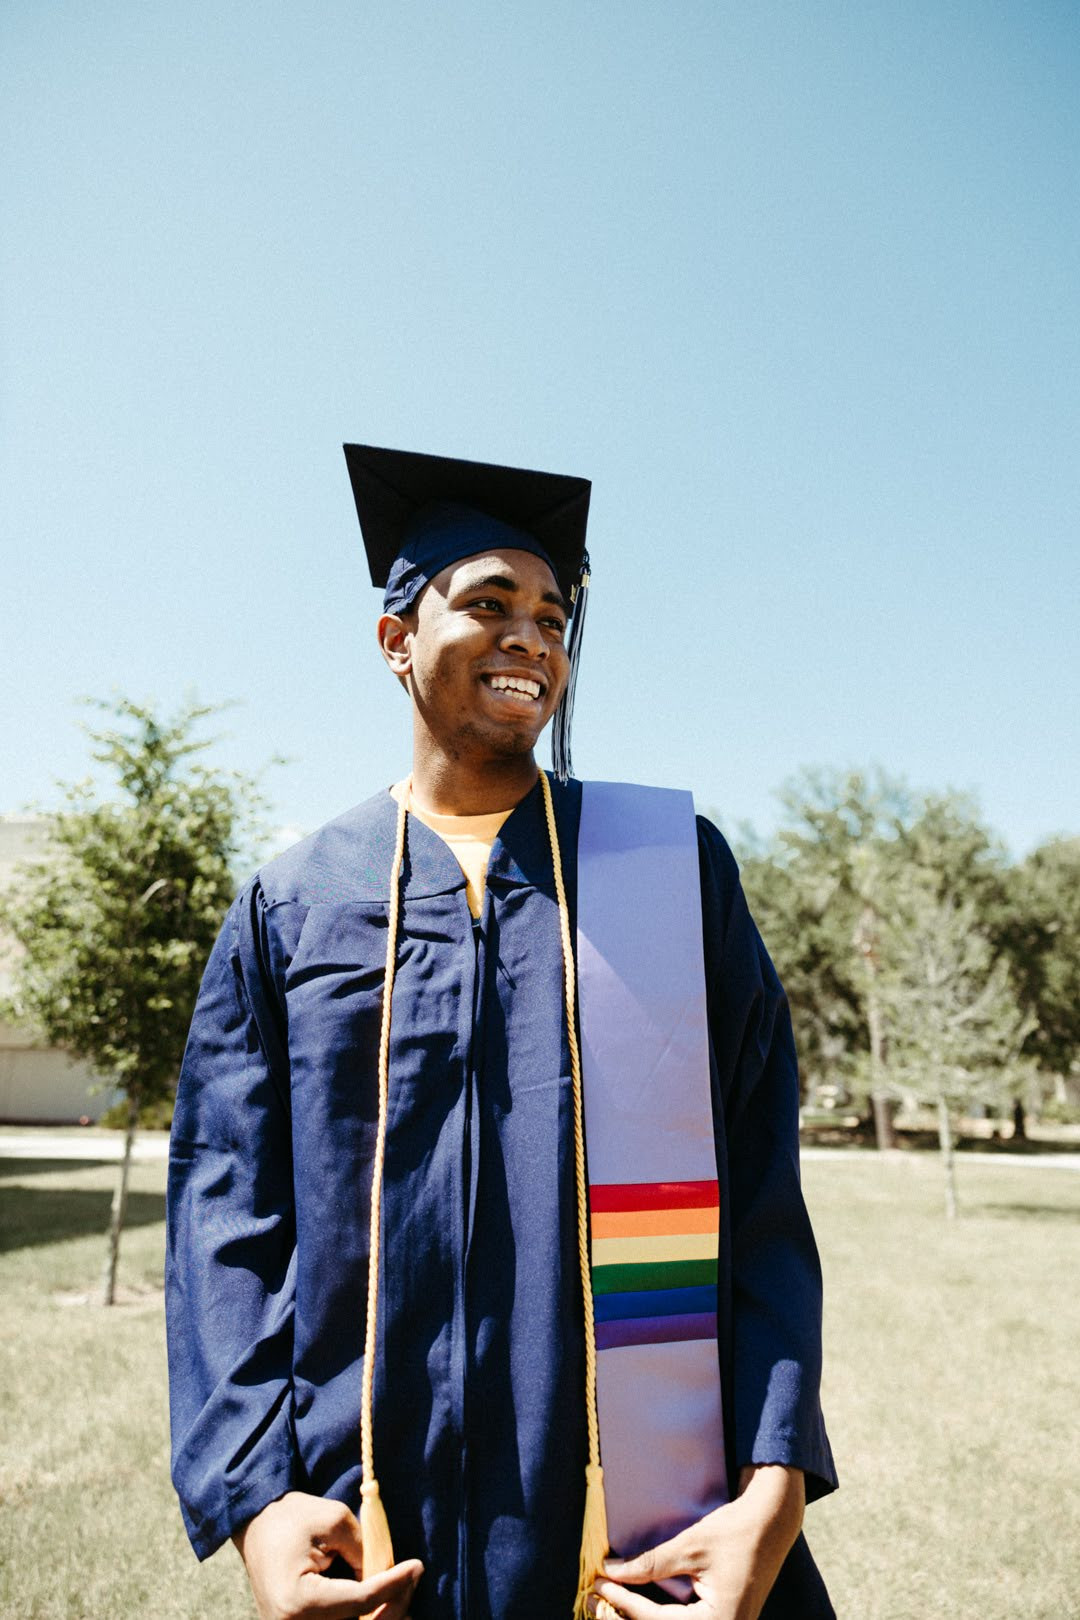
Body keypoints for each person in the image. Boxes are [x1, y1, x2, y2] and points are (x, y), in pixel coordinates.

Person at [165, 445, 837, 1620]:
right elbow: (227, 1223)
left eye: (552, 615)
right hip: (371, 1525)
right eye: (488, 604)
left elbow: (764, 1203)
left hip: (648, 1535)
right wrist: (256, 1495)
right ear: (394, 641)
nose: (533, 636)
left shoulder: (662, 873)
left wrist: (774, 1481)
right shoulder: (298, 902)